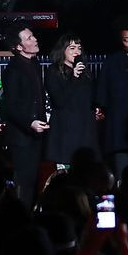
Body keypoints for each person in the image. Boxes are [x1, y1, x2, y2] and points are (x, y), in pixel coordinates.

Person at [0, 23, 49, 207]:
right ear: (18, 47)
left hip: (37, 133)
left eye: (33, 35)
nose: (35, 39)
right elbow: (10, 107)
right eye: (29, 38)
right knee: (23, 182)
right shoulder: (13, 70)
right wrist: (30, 122)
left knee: (34, 181)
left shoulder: (35, 64)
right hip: (21, 137)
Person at [95, 16, 128, 180]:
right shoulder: (112, 62)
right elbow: (104, 92)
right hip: (118, 125)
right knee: (122, 172)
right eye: (126, 40)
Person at [44, 32, 98, 167]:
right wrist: (73, 77)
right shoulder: (53, 71)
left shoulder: (86, 73)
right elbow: (59, 100)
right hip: (65, 132)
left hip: (85, 131)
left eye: (79, 48)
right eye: (72, 48)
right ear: (63, 50)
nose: (77, 52)